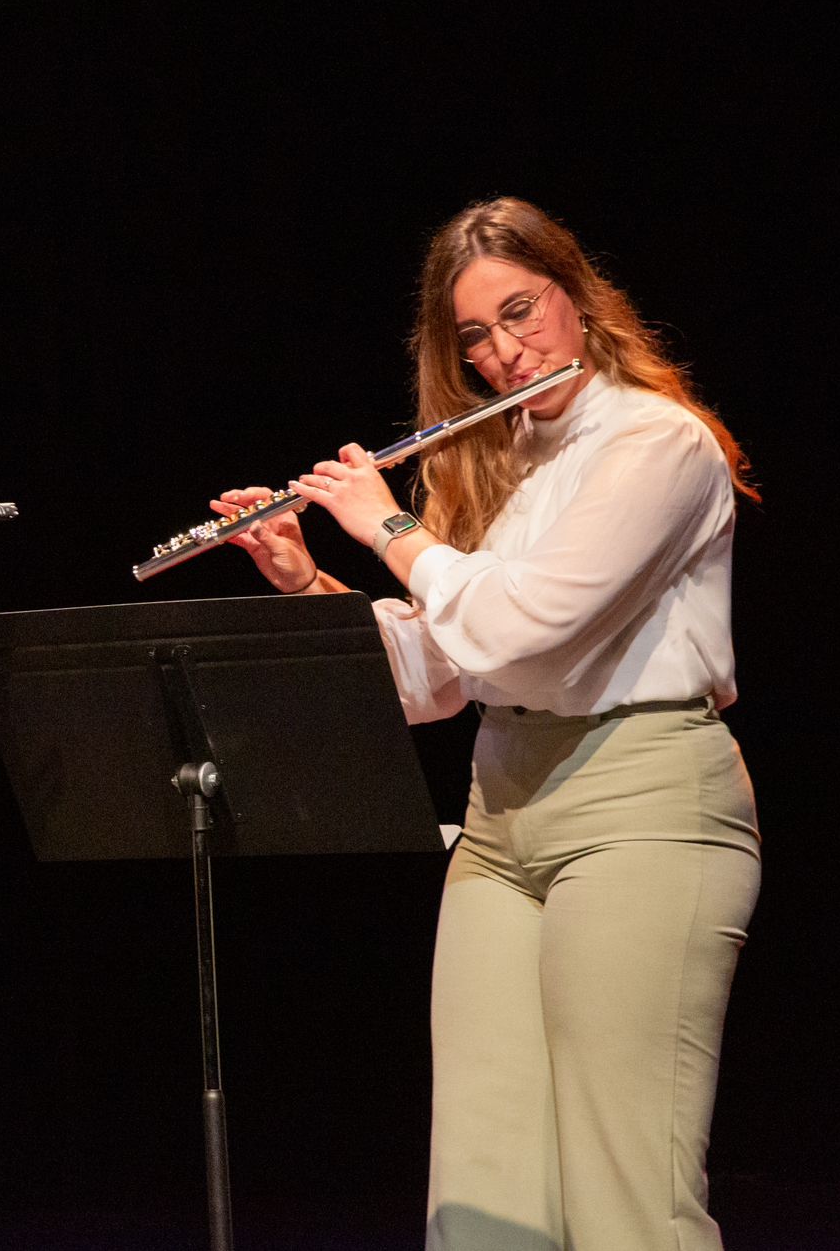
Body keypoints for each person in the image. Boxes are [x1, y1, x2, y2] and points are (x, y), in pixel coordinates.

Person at [216, 198, 760, 1250]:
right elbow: (442, 671)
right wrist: (308, 582)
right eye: (476, 335)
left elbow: (523, 626)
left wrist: (387, 525)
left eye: (522, 313)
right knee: (482, 1202)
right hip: (500, 814)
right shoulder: (498, 464)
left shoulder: (657, 444)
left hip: (641, 803)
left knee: (624, 1198)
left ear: (577, 299)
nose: (506, 352)